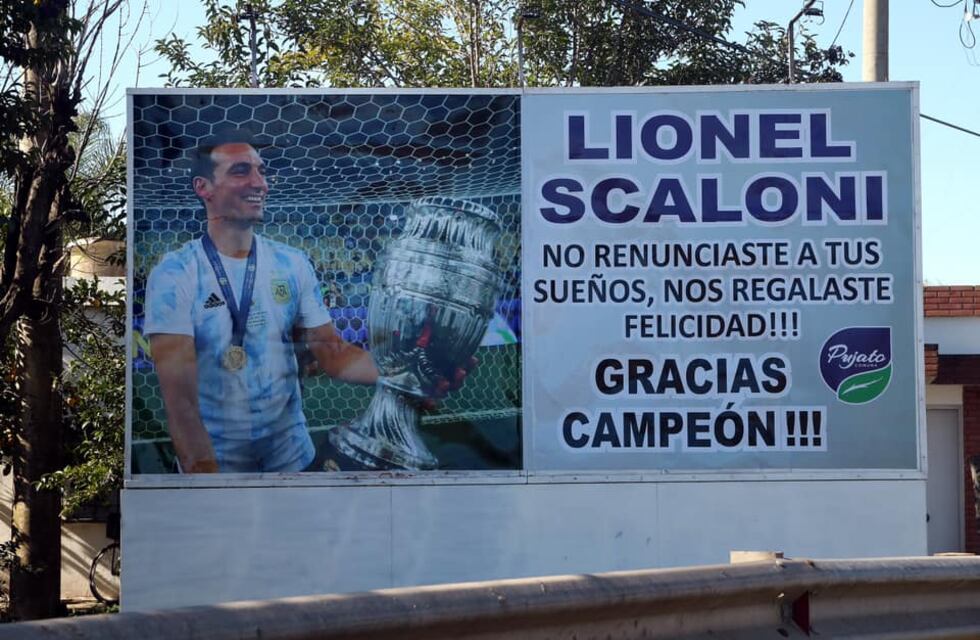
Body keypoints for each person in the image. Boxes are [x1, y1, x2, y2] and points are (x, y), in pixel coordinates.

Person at [144, 129, 379, 473]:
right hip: (218, 468)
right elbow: (182, 407)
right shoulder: (175, 273)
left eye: (261, 171)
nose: (260, 183)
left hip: (292, 459)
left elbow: (333, 354)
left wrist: (408, 374)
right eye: (241, 171)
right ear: (203, 188)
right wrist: (211, 493)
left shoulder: (292, 263)